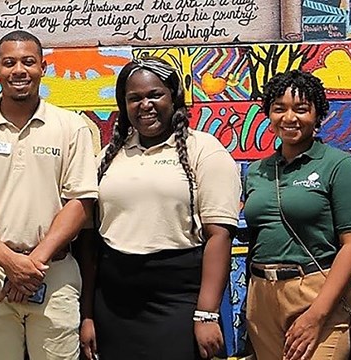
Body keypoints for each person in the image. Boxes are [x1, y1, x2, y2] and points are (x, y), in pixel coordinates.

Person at [0, 30, 98, 360]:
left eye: (28, 62)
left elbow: (81, 202)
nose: (19, 70)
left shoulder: (71, 127)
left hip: (54, 274)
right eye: (9, 62)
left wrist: (32, 264)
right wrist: (8, 260)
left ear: (43, 67)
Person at [78, 56, 241, 360]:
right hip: (113, 303)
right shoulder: (108, 157)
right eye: (134, 98)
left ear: (174, 97)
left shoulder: (204, 151)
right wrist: (87, 315)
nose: (145, 105)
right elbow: (89, 244)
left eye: (155, 94)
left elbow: (219, 236)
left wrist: (206, 314)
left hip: (178, 300)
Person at [243, 69, 351, 360]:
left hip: (315, 292)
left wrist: (317, 314)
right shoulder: (257, 172)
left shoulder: (340, 166)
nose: (290, 118)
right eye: (279, 109)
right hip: (261, 297)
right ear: (268, 114)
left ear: (318, 114)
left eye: (301, 109)